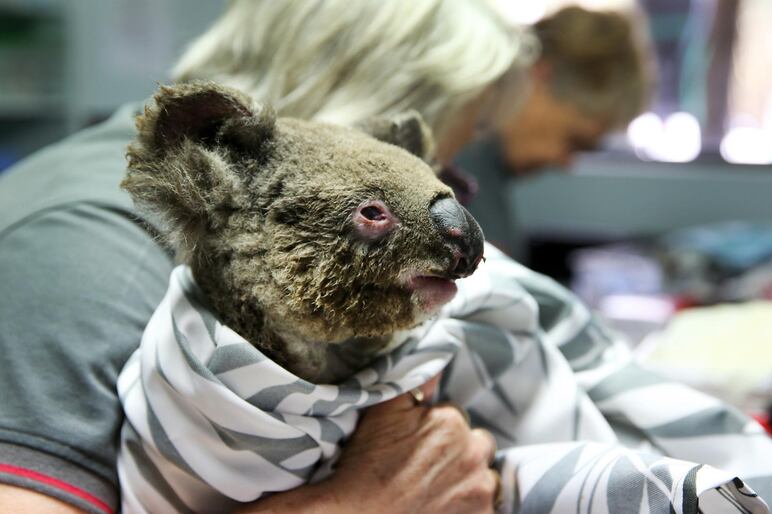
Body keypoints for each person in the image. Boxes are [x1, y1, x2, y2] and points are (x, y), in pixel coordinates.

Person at [0, 1, 529, 513]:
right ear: (362, 105)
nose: (445, 175)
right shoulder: (98, 252)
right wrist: (360, 504)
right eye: (437, 156)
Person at [455, 6, 651, 260]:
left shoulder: (485, 172)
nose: (565, 163)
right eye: (573, 141)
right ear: (539, 75)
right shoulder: (461, 164)